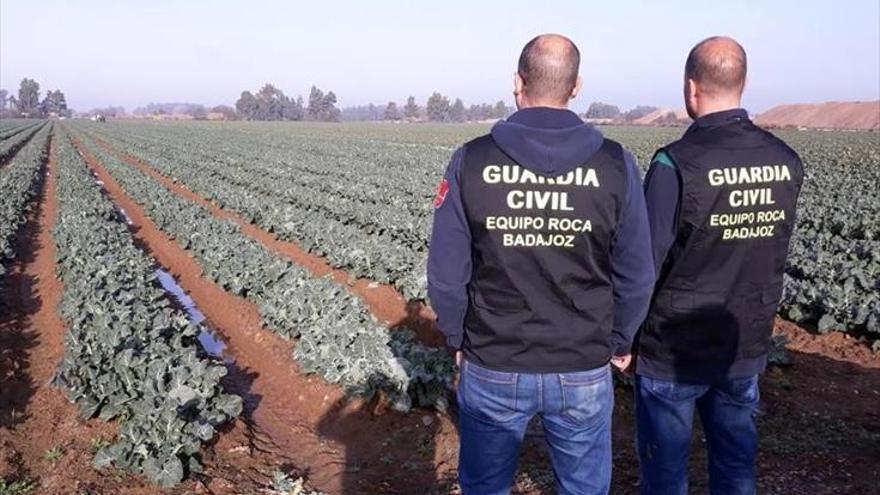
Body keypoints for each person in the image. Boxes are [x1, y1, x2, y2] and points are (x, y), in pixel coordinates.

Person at [427, 33, 654, 495]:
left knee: (486, 487)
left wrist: (458, 335)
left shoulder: (473, 159)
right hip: (583, 363)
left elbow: (446, 272)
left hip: (493, 359)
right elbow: (637, 273)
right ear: (576, 86)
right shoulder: (615, 164)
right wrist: (620, 338)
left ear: (517, 82)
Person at [635, 36, 805, 494]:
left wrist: (624, 337)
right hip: (742, 342)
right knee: (735, 467)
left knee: (666, 474)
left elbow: (646, 261)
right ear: (744, 84)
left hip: (675, 348)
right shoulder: (785, 162)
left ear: (691, 89)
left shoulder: (676, 164)